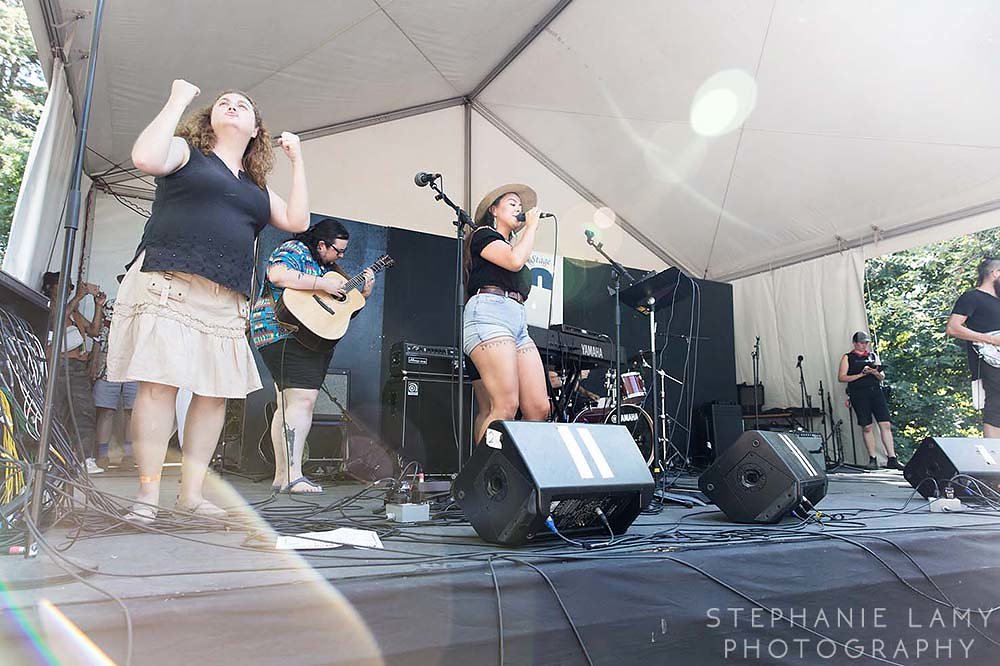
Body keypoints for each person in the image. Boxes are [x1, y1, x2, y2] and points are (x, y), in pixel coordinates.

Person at [107, 79, 310, 523]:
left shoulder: (255, 187)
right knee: (160, 385)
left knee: (214, 395)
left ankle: (191, 495)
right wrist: (177, 98)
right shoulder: (186, 152)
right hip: (170, 279)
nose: (232, 106)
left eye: (242, 105)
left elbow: (297, 220)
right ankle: (147, 496)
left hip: (227, 295)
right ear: (209, 117)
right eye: (223, 102)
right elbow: (144, 158)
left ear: (257, 129)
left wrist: (298, 162)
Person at [250, 218, 375, 493]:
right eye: (337, 250)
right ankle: (295, 475)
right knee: (303, 402)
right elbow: (277, 275)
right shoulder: (295, 249)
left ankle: (283, 476)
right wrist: (321, 284)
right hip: (284, 330)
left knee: (286, 404)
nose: (340, 256)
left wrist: (364, 293)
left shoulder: (328, 269)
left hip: (291, 335)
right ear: (321, 244)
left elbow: (338, 313)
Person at [463, 184, 550, 444]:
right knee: (504, 406)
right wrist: (532, 226)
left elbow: (517, 265)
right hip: (489, 313)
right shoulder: (483, 235)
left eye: (520, 207)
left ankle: (518, 472)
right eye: (512, 203)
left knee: (538, 408)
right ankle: (481, 481)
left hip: (517, 320)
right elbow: (513, 261)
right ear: (494, 209)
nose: (519, 209)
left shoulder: (514, 245)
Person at [43, 271, 105, 474]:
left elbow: (94, 331)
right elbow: (56, 322)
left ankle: (85, 458)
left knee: (84, 412)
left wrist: (98, 307)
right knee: (59, 413)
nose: (67, 290)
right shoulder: (47, 307)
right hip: (58, 367)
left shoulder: (74, 313)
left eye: (69, 286)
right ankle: (57, 458)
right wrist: (80, 295)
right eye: (62, 285)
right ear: (50, 288)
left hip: (77, 368)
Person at [946, 257, 1000, 437]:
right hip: (991, 360)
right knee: (995, 406)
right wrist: (990, 340)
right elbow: (953, 327)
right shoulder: (972, 297)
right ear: (996, 274)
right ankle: (995, 460)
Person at [838, 331, 899, 469]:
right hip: (859, 393)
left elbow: (882, 376)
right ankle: (872, 458)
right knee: (867, 426)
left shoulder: (872, 356)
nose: (864, 345)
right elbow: (842, 377)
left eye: (866, 343)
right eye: (861, 343)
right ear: (854, 343)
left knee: (885, 424)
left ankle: (892, 457)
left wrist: (874, 372)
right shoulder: (848, 357)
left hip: (876, 392)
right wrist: (861, 374)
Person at [90, 298, 139, 470]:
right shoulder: (111, 304)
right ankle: (102, 454)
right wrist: (95, 360)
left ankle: (128, 454)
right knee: (106, 410)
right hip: (110, 361)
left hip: (135, 363)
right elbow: (100, 335)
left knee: (132, 412)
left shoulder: (147, 304)